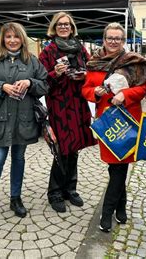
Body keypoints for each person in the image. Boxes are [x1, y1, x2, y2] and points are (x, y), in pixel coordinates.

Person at [0, 22, 48, 229]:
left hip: (23, 121)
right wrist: (2, 87)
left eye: (16, 37)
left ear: (22, 39)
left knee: (19, 159)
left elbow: (45, 85)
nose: (12, 40)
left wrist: (30, 83)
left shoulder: (31, 61)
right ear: (3, 39)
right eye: (8, 37)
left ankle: (15, 198)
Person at [82, 22, 146, 233]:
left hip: (129, 118)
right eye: (110, 38)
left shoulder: (134, 62)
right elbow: (85, 89)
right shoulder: (94, 62)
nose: (113, 42)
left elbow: (144, 87)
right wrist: (96, 93)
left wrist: (125, 95)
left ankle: (108, 212)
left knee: (120, 167)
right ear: (104, 39)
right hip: (107, 120)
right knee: (116, 167)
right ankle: (121, 207)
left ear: (124, 41)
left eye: (118, 39)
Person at [38, 12, 97, 213]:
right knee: (61, 149)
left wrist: (84, 75)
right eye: (60, 24)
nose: (64, 27)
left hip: (78, 103)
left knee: (75, 148)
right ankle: (55, 192)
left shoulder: (80, 49)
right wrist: (57, 73)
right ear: (54, 28)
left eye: (67, 24)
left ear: (72, 27)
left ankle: (70, 189)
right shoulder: (48, 51)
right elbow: (41, 80)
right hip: (59, 105)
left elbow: (91, 70)